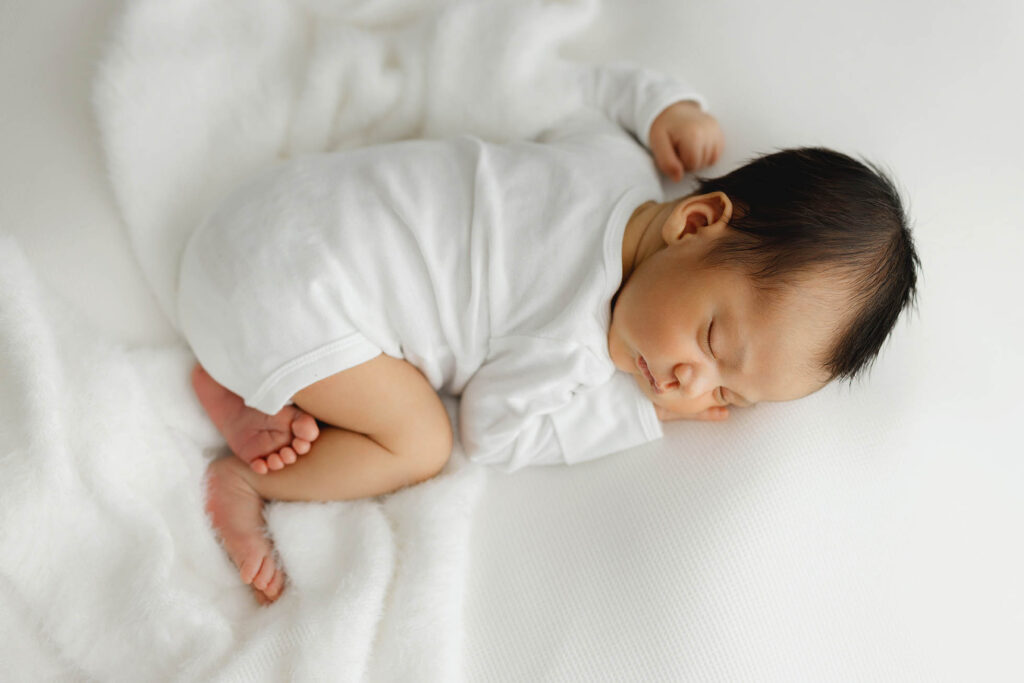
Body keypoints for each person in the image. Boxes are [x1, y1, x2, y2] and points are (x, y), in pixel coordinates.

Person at [178, 63, 920, 604]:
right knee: (423, 441)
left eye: (727, 391)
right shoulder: (570, 345)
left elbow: (572, 83)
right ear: (694, 222)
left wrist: (663, 105)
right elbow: (494, 433)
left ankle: (242, 382)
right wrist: (635, 411)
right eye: (713, 343)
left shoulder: (611, 156)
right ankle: (246, 471)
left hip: (260, 214)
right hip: (288, 300)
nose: (690, 382)